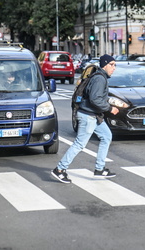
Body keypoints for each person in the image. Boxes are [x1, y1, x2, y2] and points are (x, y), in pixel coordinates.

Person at [51, 54, 119, 183]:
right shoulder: (100, 79)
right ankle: (59, 169)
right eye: (111, 64)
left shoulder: (99, 77)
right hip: (88, 116)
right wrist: (110, 108)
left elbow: (96, 96)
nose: (114, 67)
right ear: (104, 65)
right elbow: (95, 99)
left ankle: (99, 169)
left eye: (115, 65)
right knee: (80, 144)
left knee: (106, 136)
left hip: (94, 116)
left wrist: (108, 101)